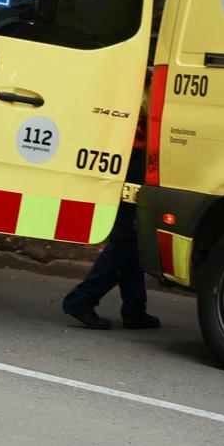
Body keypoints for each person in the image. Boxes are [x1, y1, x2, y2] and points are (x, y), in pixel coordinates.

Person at [63, 141, 160, 330]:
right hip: (137, 154)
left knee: (134, 239)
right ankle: (82, 299)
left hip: (138, 153)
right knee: (126, 238)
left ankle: (134, 309)